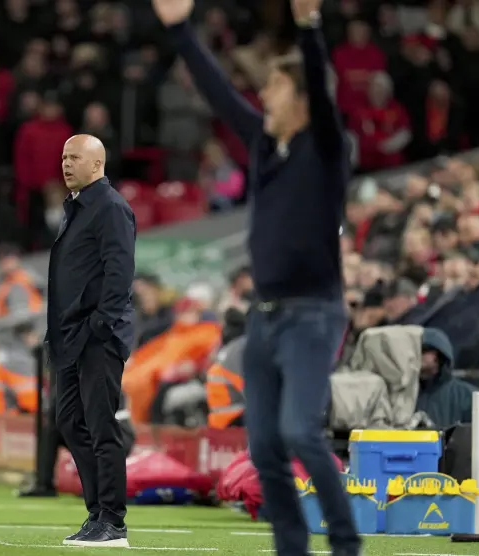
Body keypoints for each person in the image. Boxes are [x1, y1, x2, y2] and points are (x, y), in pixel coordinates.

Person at [152, 0, 361, 554]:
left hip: (313, 313)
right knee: (265, 445)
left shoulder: (325, 150)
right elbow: (219, 92)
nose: (263, 96)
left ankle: (345, 543)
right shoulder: (268, 149)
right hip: (264, 317)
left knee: (298, 433)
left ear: (300, 100)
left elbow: (320, 86)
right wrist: (179, 31)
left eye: (273, 88)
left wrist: (309, 28)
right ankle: (291, 548)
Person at [46, 134, 136, 547]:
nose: (65, 164)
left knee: (101, 427)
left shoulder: (111, 207)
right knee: (70, 421)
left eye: (74, 157)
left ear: (96, 163)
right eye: (64, 157)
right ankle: (96, 512)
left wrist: (101, 324)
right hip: (68, 336)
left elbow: (119, 272)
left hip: (96, 336)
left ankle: (112, 521)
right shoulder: (78, 205)